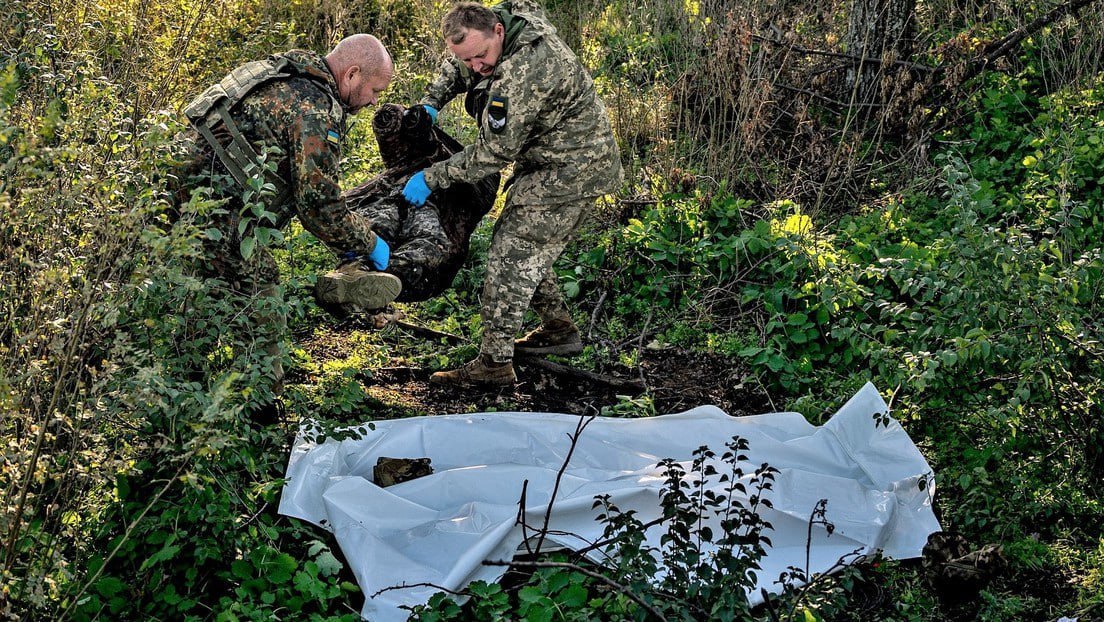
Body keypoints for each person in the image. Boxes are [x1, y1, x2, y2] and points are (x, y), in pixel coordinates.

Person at [170, 34, 401, 417]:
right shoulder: (315, 109)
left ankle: (183, 391)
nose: (375, 101)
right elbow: (318, 204)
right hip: (215, 209)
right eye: (374, 90)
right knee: (263, 303)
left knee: (197, 295)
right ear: (352, 74)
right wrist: (370, 243)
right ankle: (259, 412)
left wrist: (342, 245)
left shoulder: (280, 70)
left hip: (175, 190)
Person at [402, 0, 623, 387]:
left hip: (574, 168)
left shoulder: (523, 73)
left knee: (510, 251)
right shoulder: (503, 19)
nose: (477, 68)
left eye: (482, 57)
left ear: (498, 34)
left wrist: (432, 177)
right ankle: (558, 331)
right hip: (551, 159)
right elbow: (460, 61)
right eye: (468, 60)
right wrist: (431, 102)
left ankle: (494, 364)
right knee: (528, 246)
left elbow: (493, 153)